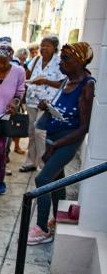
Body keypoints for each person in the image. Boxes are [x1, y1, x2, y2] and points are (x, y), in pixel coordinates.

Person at [28, 42, 95, 244]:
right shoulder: (67, 81)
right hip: (54, 136)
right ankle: (57, 220)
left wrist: (55, 146)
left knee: (43, 180)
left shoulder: (87, 85)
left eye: (66, 59)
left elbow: (84, 127)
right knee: (57, 179)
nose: (61, 63)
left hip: (68, 140)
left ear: (80, 60)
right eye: (61, 58)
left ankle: (41, 228)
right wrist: (46, 106)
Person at [20, 36, 65, 172]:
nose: (44, 48)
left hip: (47, 102)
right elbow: (26, 77)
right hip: (32, 100)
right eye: (42, 45)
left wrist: (45, 81)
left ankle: (43, 165)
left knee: (40, 132)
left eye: (48, 45)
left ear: (54, 48)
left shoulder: (59, 62)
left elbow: (62, 84)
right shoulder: (36, 60)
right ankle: (30, 162)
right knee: (32, 132)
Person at [0, 44, 26, 195]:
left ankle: (0, 181)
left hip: (6, 116)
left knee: (0, 150)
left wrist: (14, 103)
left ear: (11, 59)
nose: (0, 66)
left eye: (4, 62)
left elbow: (20, 92)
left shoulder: (19, 71)